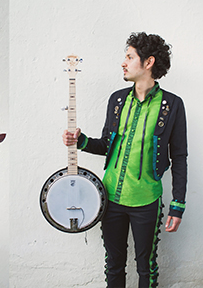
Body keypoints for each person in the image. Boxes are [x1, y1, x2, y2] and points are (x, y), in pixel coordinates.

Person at [62, 32, 187, 287]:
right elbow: (107, 145)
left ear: (148, 62)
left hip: (146, 200)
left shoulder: (172, 105)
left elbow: (180, 157)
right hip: (110, 199)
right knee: (114, 265)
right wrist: (81, 140)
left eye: (129, 57)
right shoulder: (117, 100)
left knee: (146, 268)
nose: (124, 62)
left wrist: (178, 204)